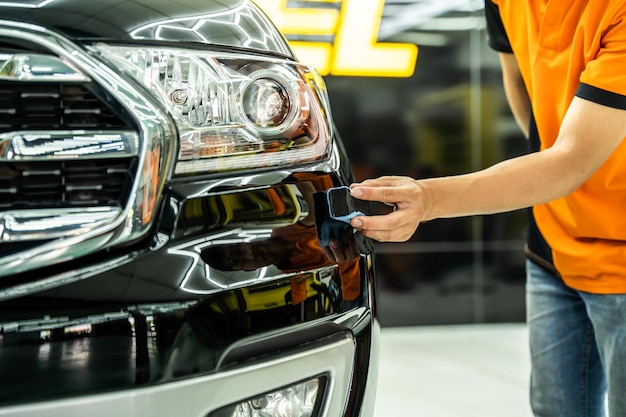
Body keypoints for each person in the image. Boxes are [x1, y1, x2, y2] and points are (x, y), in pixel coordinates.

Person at [348, 1, 626, 416]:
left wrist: (431, 198)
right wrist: (541, 169)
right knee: (555, 408)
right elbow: (519, 82)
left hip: (619, 248)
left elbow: (571, 160)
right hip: (551, 241)